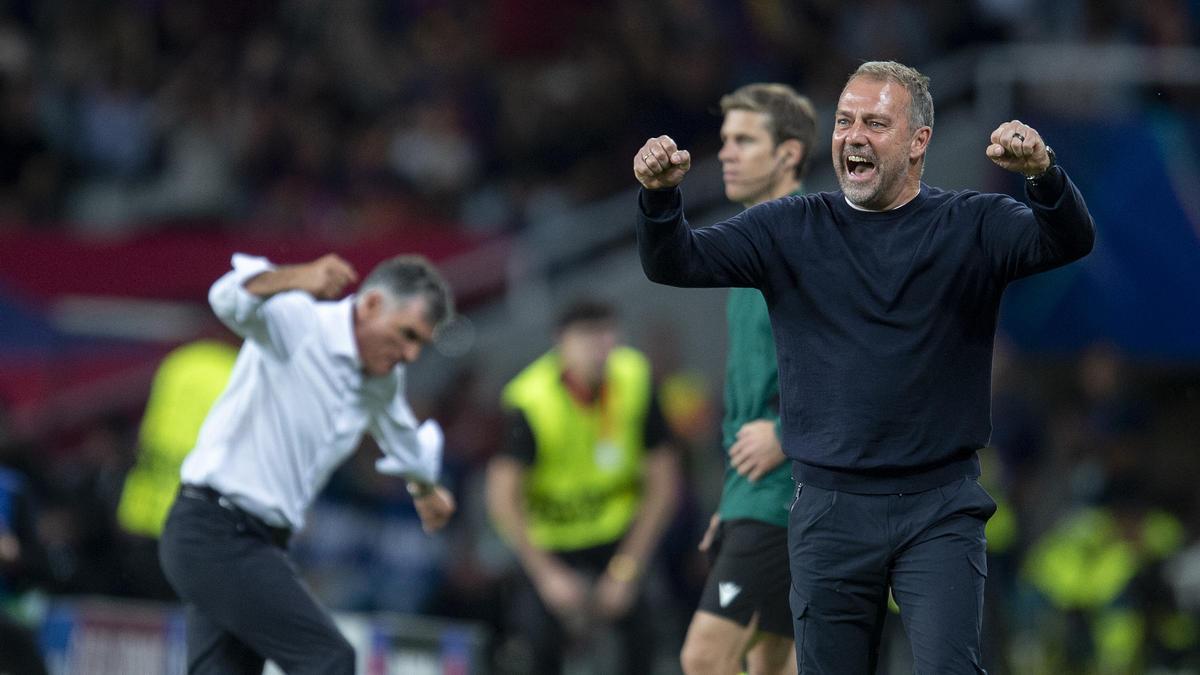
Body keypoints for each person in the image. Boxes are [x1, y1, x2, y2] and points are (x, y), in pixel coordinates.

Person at [633, 60, 1095, 673]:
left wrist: (1044, 177)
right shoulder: (789, 227)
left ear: (918, 141)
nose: (854, 134)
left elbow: (1068, 240)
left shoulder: (974, 223)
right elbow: (677, 262)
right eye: (845, 120)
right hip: (828, 509)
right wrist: (659, 197)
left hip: (939, 508)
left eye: (875, 122)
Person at [158, 252, 458, 675]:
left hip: (256, 542)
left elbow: (404, 436)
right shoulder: (301, 322)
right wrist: (297, 277)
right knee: (328, 659)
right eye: (406, 334)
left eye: (419, 344)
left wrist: (425, 489)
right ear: (370, 305)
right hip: (215, 530)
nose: (409, 353)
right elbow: (226, 297)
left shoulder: (381, 378)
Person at [679, 83, 817, 675]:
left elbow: (858, 360)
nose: (727, 154)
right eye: (724, 141)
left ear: (787, 155)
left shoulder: (811, 241)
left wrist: (786, 432)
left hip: (787, 493)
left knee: (705, 658)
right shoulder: (751, 242)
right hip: (756, 495)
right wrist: (733, 501)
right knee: (773, 665)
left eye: (744, 140)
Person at [486, 299, 680, 674]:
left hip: (619, 536)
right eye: (586, 337)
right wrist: (546, 575)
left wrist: (627, 569)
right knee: (537, 644)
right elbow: (501, 497)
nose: (599, 347)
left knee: (643, 638)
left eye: (607, 334)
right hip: (552, 542)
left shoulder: (635, 378)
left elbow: (665, 484)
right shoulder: (529, 399)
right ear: (561, 341)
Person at [116, 337, 238, 600]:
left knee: (141, 615)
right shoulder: (238, 374)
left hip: (142, 518)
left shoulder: (180, 362)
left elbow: (146, 434)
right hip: (199, 527)